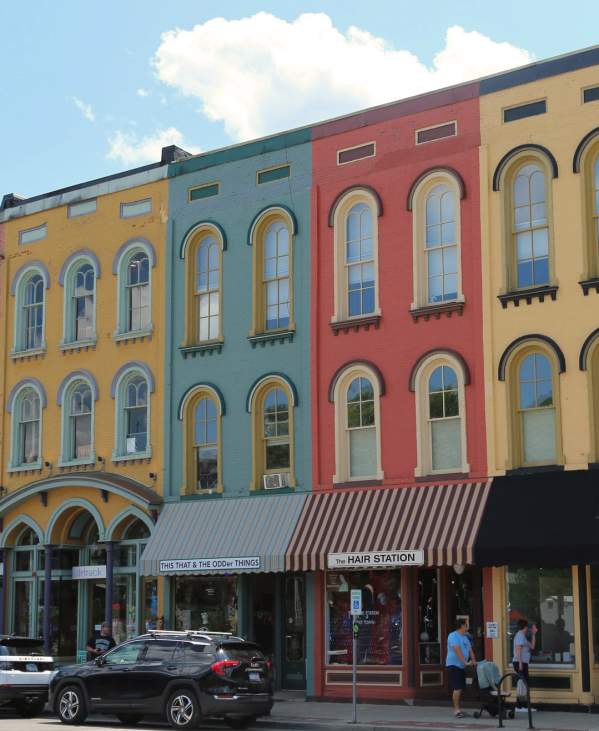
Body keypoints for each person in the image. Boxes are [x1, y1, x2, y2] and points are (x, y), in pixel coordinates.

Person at [446, 618, 476, 718]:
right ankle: (456, 710)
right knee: (457, 688)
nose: (468, 626)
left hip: (462, 666)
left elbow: (470, 650)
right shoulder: (453, 635)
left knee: (460, 688)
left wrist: (474, 662)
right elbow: (456, 649)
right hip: (453, 665)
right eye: (466, 624)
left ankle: (458, 709)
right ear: (462, 625)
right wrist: (465, 662)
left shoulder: (465, 637)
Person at [512, 618, 537, 687]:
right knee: (524, 684)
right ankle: (521, 698)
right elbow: (518, 650)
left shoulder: (522, 636)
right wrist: (520, 663)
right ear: (525, 627)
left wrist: (534, 634)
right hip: (520, 662)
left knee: (524, 684)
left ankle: (522, 698)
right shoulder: (520, 635)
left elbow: (532, 646)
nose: (528, 628)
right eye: (527, 627)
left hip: (523, 662)